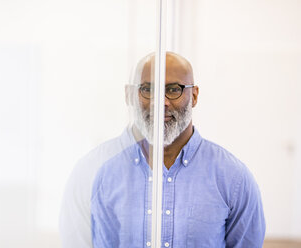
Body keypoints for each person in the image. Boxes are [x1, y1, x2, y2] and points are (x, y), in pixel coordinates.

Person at [59, 52, 266, 248]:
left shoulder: (233, 178)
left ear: (194, 96)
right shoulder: (91, 171)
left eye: (173, 89)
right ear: (129, 95)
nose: (161, 102)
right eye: (148, 89)